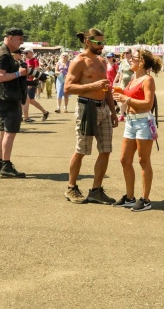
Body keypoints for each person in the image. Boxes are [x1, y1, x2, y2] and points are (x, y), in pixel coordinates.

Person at [63, 29, 119, 205]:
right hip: (86, 107)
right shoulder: (78, 62)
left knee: (106, 149)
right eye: (98, 43)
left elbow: (107, 88)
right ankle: (71, 187)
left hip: (103, 108)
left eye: (103, 42)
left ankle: (96, 190)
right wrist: (93, 85)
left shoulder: (102, 61)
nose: (102, 46)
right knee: (81, 150)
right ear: (88, 41)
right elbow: (68, 88)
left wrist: (113, 111)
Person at [111, 49, 161, 212]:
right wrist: (118, 92)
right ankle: (130, 197)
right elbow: (129, 96)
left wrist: (126, 98)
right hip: (131, 122)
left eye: (134, 58)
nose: (130, 60)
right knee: (124, 159)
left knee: (143, 160)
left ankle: (145, 199)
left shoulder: (148, 79)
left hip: (143, 122)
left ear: (142, 62)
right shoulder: (134, 78)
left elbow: (148, 103)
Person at [0, 28, 28, 178]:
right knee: (9, 133)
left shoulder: (2, 52)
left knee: (2, 131)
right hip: (8, 97)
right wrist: (19, 73)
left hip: (3, 96)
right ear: (10, 38)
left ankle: (0, 163)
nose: (21, 41)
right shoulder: (4, 54)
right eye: (19, 38)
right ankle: (6, 165)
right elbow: (1, 77)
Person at [22, 49, 49, 123]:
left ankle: (44, 112)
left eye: (26, 53)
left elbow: (37, 72)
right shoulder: (25, 61)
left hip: (31, 83)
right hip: (26, 82)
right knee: (28, 100)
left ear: (31, 53)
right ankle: (44, 112)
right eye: (24, 53)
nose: (25, 54)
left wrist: (33, 82)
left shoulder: (35, 61)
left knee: (29, 100)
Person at [117, 51, 134, 120]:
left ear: (130, 53)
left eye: (127, 53)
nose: (125, 54)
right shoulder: (122, 62)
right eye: (125, 53)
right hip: (123, 83)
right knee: (122, 99)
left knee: (131, 99)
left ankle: (130, 113)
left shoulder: (133, 61)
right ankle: (121, 115)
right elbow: (119, 73)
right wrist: (116, 81)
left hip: (132, 83)